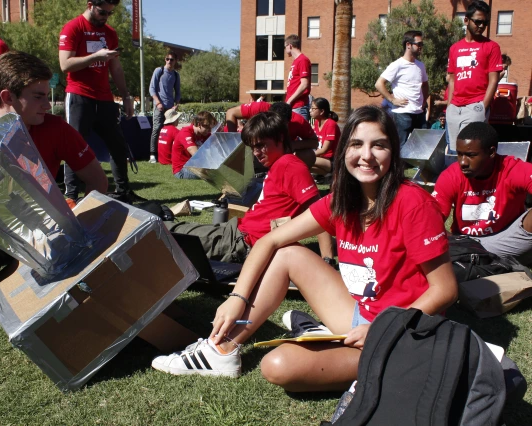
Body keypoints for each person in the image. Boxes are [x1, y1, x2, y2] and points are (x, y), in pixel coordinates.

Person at [152, 106, 457, 388]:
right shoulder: (342, 200)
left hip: (403, 331)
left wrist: (384, 330)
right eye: (356, 144)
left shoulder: (412, 201)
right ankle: (222, 349)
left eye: (379, 145)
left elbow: (444, 290)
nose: (366, 155)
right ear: (343, 151)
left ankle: (327, 337)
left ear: (393, 151)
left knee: (278, 365)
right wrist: (236, 297)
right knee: (287, 254)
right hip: (360, 313)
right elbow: (272, 240)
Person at [0, 51, 108, 327]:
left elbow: (97, 182)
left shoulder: (56, 128)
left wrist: (82, 220)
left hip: (39, 225)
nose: (48, 104)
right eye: (38, 96)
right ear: (7, 97)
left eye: (47, 94)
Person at [164, 111, 323, 264]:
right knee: (177, 230)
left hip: (241, 242)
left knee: (170, 234)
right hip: (237, 231)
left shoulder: (290, 166)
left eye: (260, 146)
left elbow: (319, 213)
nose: (256, 153)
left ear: (280, 138)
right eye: (253, 148)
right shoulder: (279, 165)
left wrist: (327, 258)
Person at [58, 0, 146, 204]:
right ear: (90, 5)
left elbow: (115, 67)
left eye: (109, 13)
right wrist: (96, 56)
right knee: (75, 146)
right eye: (102, 11)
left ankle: (123, 191)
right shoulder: (73, 27)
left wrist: (126, 96)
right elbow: (65, 64)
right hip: (79, 96)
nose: (105, 16)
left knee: (117, 145)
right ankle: (71, 196)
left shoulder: (110, 33)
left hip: (105, 98)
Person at [433, 122, 532, 266]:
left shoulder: (511, 168)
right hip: (465, 241)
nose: (462, 162)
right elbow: (431, 222)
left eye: (470, 155)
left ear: (491, 152)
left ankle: (484, 259)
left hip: (508, 238)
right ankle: (485, 259)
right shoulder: (451, 176)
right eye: (459, 154)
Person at [446, 0, 502, 151]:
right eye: (477, 22)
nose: (481, 26)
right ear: (466, 20)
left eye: (485, 22)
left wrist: (483, 107)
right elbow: (452, 79)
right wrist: (449, 106)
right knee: (455, 151)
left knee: (473, 151)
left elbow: (494, 80)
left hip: (476, 105)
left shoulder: (492, 47)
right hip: (455, 107)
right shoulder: (454, 48)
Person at [225, 101, 318, 168]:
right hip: (253, 153)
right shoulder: (259, 107)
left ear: (288, 122)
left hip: (280, 155)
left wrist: (292, 145)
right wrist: (234, 142)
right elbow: (231, 112)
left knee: (308, 155)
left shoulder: (299, 121)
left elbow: (314, 142)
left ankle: (292, 178)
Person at [375, 30, 428, 146]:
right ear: (408, 45)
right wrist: (392, 100)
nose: (420, 47)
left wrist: (424, 101)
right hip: (402, 113)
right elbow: (379, 84)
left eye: (421, 44)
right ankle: (399, 165)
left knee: (421, 147)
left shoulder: (420, 65)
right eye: (418, 44)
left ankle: (416, 165)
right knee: (400, 147)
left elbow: (425, 85)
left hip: (419, 113)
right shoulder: (397, 65)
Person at [148, 51, 181, 164]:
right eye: (167, 59)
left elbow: (178, 92)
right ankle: (153, 154)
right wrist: (158, 103)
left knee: (170, 131)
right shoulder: (159, 71)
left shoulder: (176, 75)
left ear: (175, 61)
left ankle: (167, 153)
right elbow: (152, 89)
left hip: (170, 107)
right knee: (156, 129)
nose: (169, 62)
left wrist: (176, 104)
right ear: (165, 59)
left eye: (171, 59)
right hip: (159, 106)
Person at [171, 111, 216, 179]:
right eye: (207, 127)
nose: (209, 130)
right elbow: (196, 154)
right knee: (214, 174)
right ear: (199, 124)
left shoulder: (204, 134)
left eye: (211, 127)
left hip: (195, 166)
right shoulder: (185, 132)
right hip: (182, 170)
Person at [309, 97, 340, 177]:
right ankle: (328, 177)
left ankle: (332, 174)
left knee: (304, 159)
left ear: (322, 111)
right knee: (302, 163)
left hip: (332, 160)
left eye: (313, 108)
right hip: (322, 158)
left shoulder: (331, 124)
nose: (310, 111)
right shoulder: (316, 122)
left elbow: (324, 149)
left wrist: (308, 155)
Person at [284, 34, 311, 121]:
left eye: (285, 47)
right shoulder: (296, 61)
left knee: (300, 134)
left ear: (290, 46)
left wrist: (289, 101)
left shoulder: (303, 60)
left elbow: (304, 84)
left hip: (299, 106)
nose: (285, 50)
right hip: (293, 106)